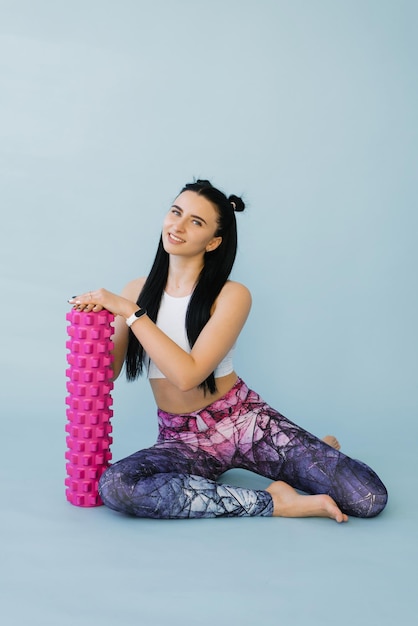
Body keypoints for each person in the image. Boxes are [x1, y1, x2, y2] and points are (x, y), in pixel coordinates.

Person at [69, 179, 388, 522]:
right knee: (118, 485)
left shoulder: (232, 295)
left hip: (245, 424)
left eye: (196, 221)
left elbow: (188, 375)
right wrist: (95, 323)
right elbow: (109, 370)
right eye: (175, 212)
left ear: (214, 241)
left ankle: (307, 454)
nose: (178, 226)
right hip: (182, 440)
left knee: (368, 498)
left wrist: (129, 312)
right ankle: (276, 502)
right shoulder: (135, 290)